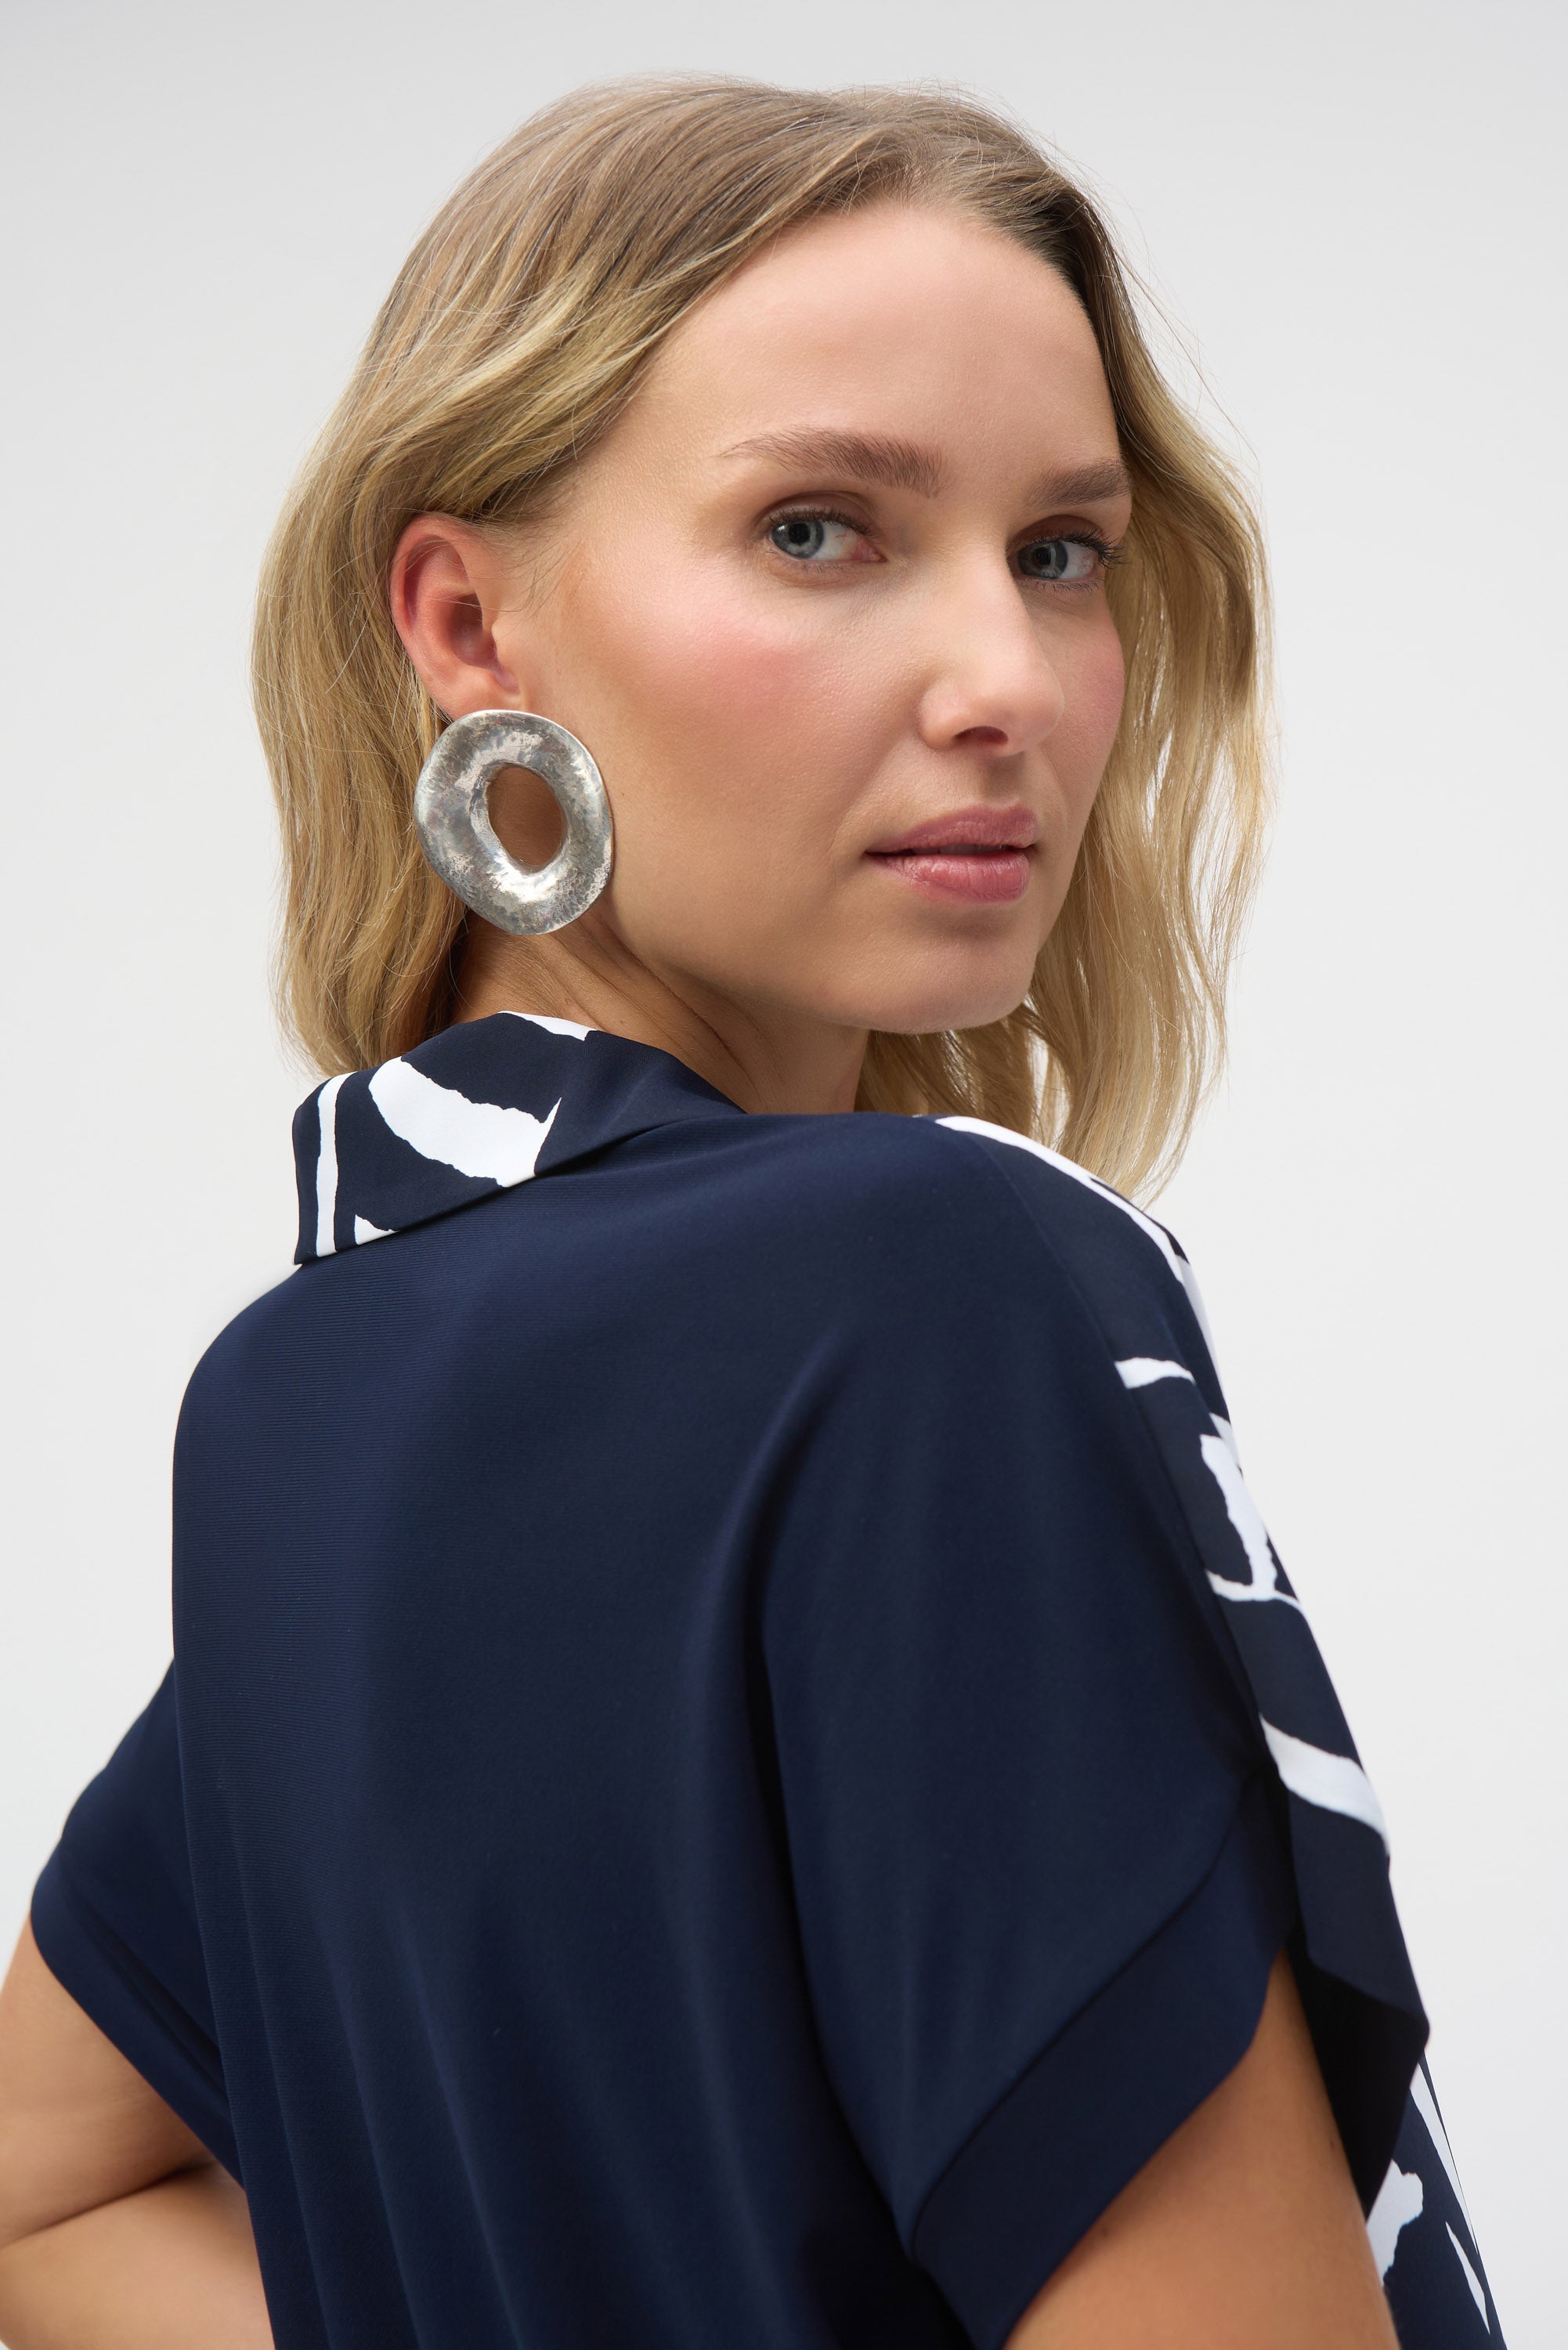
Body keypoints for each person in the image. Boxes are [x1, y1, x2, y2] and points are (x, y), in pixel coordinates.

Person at [0, 75, 1504, 2350]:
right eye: (819, 531)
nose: (1004, 683)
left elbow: (39, 2207)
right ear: (467, 623)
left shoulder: (301, 1403)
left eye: (1061, 551)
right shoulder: (935, 1285)